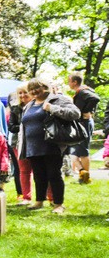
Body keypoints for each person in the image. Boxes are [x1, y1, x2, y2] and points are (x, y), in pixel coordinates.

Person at [18, 78, 79, 214]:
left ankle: (58, 204)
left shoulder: (57, 99)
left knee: (54, 174)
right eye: (31, 89)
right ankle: (39, 201)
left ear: (45, 87)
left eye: (37, 88)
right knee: (39, 175)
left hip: (51, 145)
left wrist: (52, 108)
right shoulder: (30, 104)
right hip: (33, 146)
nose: (34, 91)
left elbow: (75, 113)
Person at [68, 73, 100, 184]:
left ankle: (86, 178)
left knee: (83, 152)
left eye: (69, 81)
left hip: (84, 123)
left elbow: (95, 98)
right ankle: (83, 173)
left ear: (75, 82)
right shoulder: (84, 90)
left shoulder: (82, 91)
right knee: (74, 152)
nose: (68, 83)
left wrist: (86, 111)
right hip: (83, 122)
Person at [7, 84, 33, 204]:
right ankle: (26, 197)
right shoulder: (15, 108)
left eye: (25, 92)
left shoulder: (36, 106)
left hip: (35, 142)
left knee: (39, 170)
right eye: (20, 93)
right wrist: (25, 127)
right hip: (18, 142)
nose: (22, 95)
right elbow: (12, 127)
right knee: (23, 170)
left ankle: (46, 197)